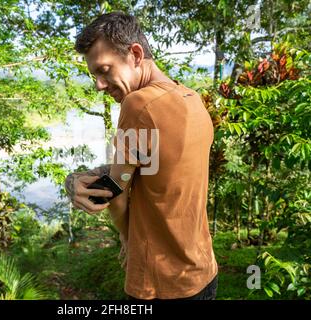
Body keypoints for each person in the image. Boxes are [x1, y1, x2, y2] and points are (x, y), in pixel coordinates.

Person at [64, 12, 218, 300]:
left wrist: (126, 237)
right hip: (203, 270)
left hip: (160, 281)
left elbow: (114, 190)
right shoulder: (191, 99)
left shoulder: (138, 104)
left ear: (135, 54)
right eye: (94, 75)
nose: (99, 84)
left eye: (104, 70)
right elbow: (151, 167)